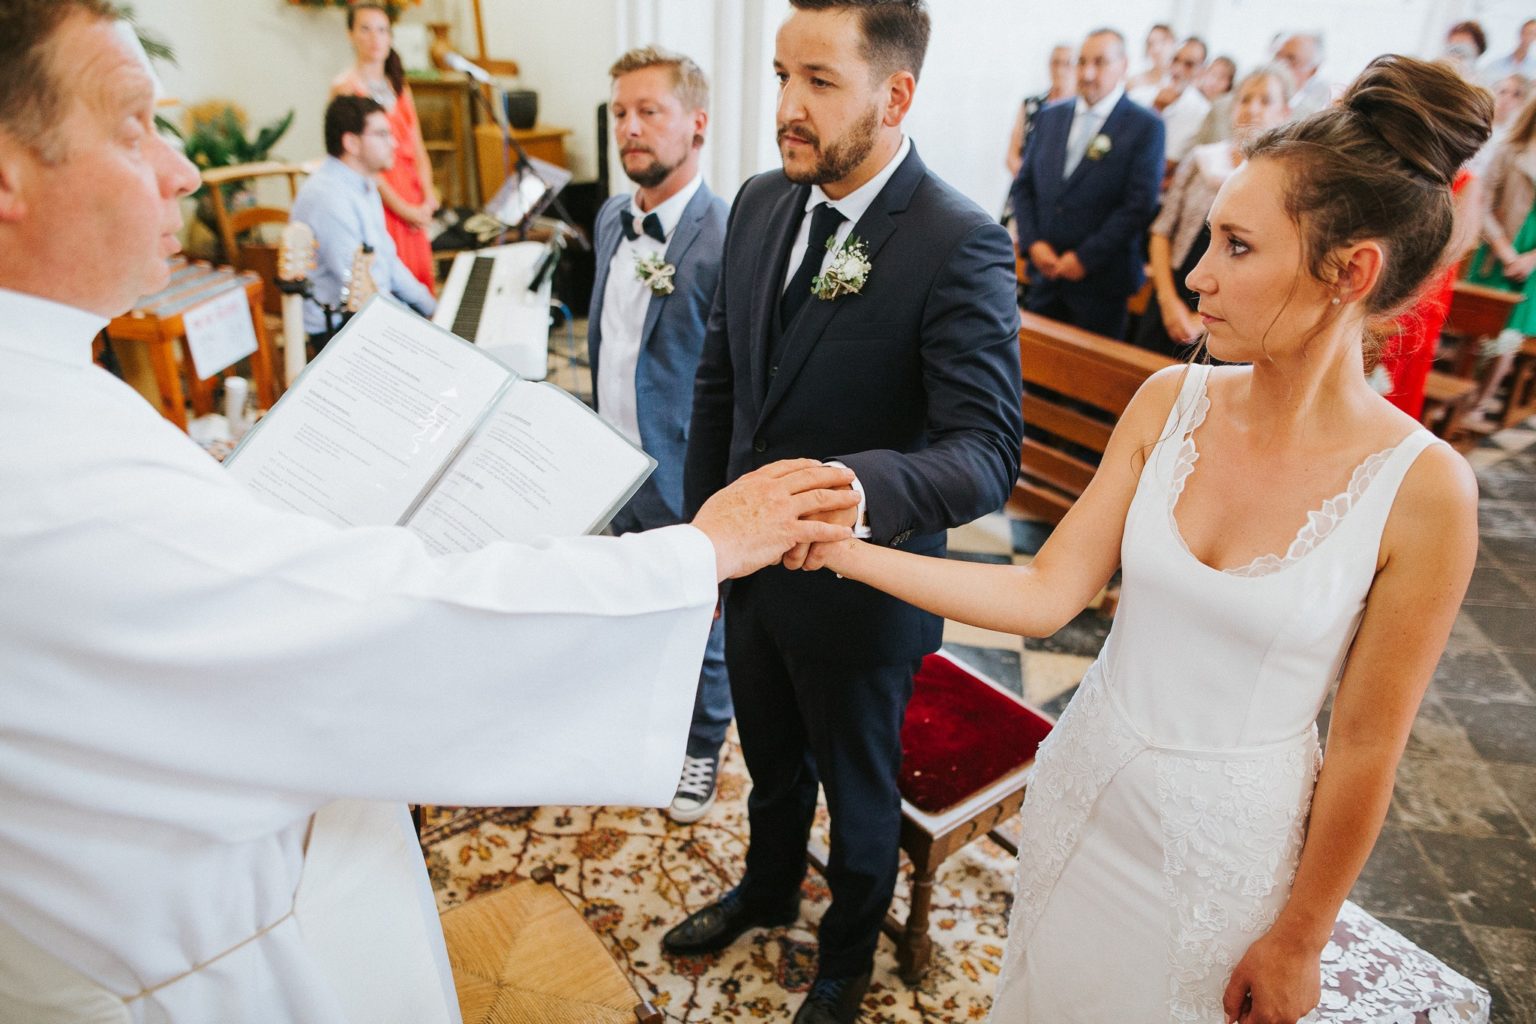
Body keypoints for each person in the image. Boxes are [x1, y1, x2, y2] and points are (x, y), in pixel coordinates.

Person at [0, 3, 861, 1020]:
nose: (182, 171)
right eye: (135, 126)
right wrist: (694, 556)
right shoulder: (49, 465)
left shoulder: (51, 391)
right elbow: (375, 626)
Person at [797, 54, 1487, 1023]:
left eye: (1237, 247)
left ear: (1351, 273)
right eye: (1209, 238)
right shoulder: (1170, 401)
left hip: (1224, 859)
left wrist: (1301, 936)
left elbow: (1369, 746)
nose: (1198, 275)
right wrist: (846, 547)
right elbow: (1044, 591)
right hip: (1086, 790)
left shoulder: (1425, 491)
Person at [666, 2, 1024, 1021]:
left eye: (819, 81)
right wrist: (705, 546)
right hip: (752, 575)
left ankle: (847, 960)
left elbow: (985, 452)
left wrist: (855, 494)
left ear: (894, 94)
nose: (787, 104)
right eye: (783, 74)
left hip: (866, 595)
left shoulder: (956, 241)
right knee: (770, 762)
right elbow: (721, 386)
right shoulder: (760, 202)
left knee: (860, 800)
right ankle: (768, 886)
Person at [587, 45, 733, 824]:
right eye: (620, 113)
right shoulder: (611, 217)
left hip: (683, 470)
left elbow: (739, 380)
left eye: (649, 111)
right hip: (611, 459)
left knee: (703, 619)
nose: (630, 128)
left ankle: (702, 742)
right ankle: (637, 718)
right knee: (631, 598)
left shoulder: (725, 236)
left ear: (697, 125)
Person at [1012, 28, 1165, 339]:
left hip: (1102, 284)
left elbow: (1139, 205)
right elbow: (1024, 185)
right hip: (1045, 274)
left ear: (1123, 65)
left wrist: (1084, 258)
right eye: (1081, 62)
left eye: (1100, 62)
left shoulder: (1145, 126)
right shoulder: (1050, 116)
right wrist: (1033, 243)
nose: (1088, 73)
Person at [1135, 67, 1291, 356]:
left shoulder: (1284, 182)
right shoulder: (1201, 160)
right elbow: (1162, 230)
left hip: (1233, 312)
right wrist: (1168, 302)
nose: (1252, 108)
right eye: (1245, 99)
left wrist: (1200, 322)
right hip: (1174, 291)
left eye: (1265, 100)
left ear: (1285, 112)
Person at [290, 94, 437, 346]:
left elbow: (387, 260)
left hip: (372, 309)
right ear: (351, 142)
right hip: (340, 327)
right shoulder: (328, 197)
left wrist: (432, 306)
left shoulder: (364, 182)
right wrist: (422, 327)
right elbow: (364, 288)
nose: (394, 143)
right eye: (382, 135)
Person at [330, 2, 437, 292]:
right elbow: (355, 161)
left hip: (412, 190)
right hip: (381, 194)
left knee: (421, 278)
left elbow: (418, 146)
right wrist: (403, 208)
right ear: (351, 34)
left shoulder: (398, 85)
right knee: (393, 278)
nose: (375, 38)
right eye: (365, 29)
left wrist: (428, 197)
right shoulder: (345, 87)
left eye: (382, 30)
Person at [1130, 36, 1211, 167]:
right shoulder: (1139, 95)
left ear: (1202, 70)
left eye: (1189, 64)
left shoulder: (1202, 111)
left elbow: (1168, 163)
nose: (1177, 69)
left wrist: (1156, 109)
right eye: (1175, 60)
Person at [1005, 43, 1075, 180]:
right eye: (1056, 63)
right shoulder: (1031, 104)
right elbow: (1012, 155)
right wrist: (1028, 181)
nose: (1060, 70)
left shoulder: (1082, 108)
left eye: (1067, 64)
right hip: (1026, 183)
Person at [1276, 32, 1332, 119]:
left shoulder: (1314, 114)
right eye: (1277, 57)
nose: (1280, 65)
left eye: (1291, 59)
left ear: (1313, 71)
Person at [1480, 18, 1536, 85]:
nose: (1527, 37)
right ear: (1520, 33)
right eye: (1525, 32)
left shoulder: (1534, 69)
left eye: (1532, 33)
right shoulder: (1496, 65)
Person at [1127, 22, 1176, 93]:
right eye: (1151, 44)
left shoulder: (1180, 80)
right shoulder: (1134, 81)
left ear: (1173, 43)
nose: (1156, 49)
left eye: (1162, 42)